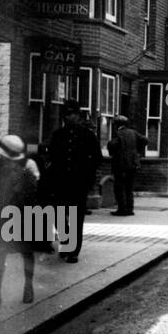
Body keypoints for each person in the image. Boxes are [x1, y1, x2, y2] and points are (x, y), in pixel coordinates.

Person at [0, 135, 46, 307]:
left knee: (22, 251)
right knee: (5, 252)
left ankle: (27, 287)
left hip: (21, 213)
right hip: (12, 213)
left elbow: (33, 190)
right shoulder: (5, 165)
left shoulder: (25, 165)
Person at [42, 100, 101, 263]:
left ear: (78, 116)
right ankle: (66, 243)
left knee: (75, 217)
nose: (69, 118)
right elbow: (52, 157)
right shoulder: (58, 135)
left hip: (79, 183)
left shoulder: (88, 136)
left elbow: (97, 159)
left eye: (72, 114)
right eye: (66, 115)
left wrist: (88, 178)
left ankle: (73, 251)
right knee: (59, 215)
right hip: (60, 182)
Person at [106, 115, 147, 217]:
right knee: (129, 187)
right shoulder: (133, 132)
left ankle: (122, 209)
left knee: (119, 187)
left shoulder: (118, 133)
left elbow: (112, 145)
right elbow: (145, 140)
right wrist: (137, 152)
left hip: (121, 164)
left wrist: (111, 147)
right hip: (132, 164)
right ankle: (130, 209)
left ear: (117, 124)